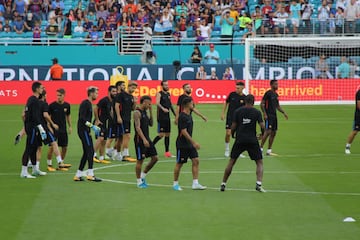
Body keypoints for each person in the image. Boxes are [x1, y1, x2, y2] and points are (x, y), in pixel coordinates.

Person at [220, 94, 266, 193]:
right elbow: (262, 126)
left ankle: (223, 184)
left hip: (240, 139)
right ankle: (258, 184)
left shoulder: (238, 111)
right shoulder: (257, 112)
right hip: (252, 140)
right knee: (259, 162)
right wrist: (262, 135)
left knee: (232, 161)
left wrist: (233, 134)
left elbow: (233, 125)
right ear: (253, 102)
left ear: (245, 101)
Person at [173, 97, 206, 191]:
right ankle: (175, 184)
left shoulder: (189, 115)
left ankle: (195, 183)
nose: (193, 104)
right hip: (182, 144)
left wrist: (202, 116)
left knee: (196, 160)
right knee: (179, 163)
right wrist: (194, 142)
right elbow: (183, 131)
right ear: (187, 104)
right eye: (192, 103)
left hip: (189, 144)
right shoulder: (182, 116)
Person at [73, 86, 102, 182]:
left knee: (86, 152)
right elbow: (82, 118)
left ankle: (78, 175)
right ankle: (90, 174)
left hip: (85, 130)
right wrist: (92, 126)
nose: (97, 95)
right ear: (91, 93)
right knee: (90, 151)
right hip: (83, 130)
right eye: (96, 93)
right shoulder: (85, 103)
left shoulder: (89, 104)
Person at [20, 82, 46, 178]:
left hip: (31, 126)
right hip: (32, 127)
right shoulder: (34, 100)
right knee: (29, 148)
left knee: (34, 148)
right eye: (41, 88)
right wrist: (40, 127)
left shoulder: (31, 99)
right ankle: (24, 171)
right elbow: (35, 116)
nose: (42, 89)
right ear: (37, 89)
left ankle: (35, 169)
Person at [134, 95, 159, 188]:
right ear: (144, 102)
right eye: (148, 103)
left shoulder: (145, 112)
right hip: (140, 139)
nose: (150, 105)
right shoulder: (137, 112)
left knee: (155, 158)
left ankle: (143, 175)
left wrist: (151, 111)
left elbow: (151, 124)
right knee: (140, 160)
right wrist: (144, 139)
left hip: (147, 138)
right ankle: (138, 181)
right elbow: (137, 128)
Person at [260, 80, 288, 156]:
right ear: (271, 85)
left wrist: (283, 112)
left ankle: (269, 150)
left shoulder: (276, 95)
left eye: (277, 84)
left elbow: (277, 106)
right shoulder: (268, 93)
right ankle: (261, 148)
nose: (277, 85)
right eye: (275, 84)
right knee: (268, 131)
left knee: (274, 132)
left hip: (274, 116)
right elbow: (262, 104)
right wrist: (264, 114)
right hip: (268, 115)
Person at [47, 88, 72, 171]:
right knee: (52, 147)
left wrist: (70, 126)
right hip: (54, 130)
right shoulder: (52, 106)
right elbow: (48, 117)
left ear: (64, 95)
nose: (58, 97)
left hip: (63, 129)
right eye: (57, 95)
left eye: (60, 95)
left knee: (64, 147)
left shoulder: (67, 105)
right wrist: (50, 126)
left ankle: (61, 163)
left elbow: (68, 116)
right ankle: (49, 164)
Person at [221, 82, 247, 157]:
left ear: (242, 88)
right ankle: (227, 150)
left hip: (239, 119)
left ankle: (238, 151)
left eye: (238, 88)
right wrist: (223, 113)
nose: (236, 89)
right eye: (236, 88)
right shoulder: (232, 94)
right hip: (230, 117)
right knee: (228, 133)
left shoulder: (245, 98)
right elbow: (226, 102)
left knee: (239, 136)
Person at [114, 81, 138, 162]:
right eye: (132, 87)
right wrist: (118, 117)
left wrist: (135, 102)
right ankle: (125, 154)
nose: (133, 89)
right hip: (122, 118)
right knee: (127, 136)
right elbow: (116, 106)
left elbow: (133, 109)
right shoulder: (121, 95)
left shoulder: (131, 97)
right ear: (129, 86)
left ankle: (117, 154)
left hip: (127, 118)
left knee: (120, 138)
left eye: (134, 88)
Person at [93, 85, 117, 164]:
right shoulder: (104, 100)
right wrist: (97, 119)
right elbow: (95, 108)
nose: (115, 93)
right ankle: (92, 155)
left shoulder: (112, 101)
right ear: (109, 92)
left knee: (104, 140)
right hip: (100, 122)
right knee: (100, 139)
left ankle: (101, 157)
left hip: (106, 123)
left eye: (116, 91)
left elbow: (111, 111)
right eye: (113, 91)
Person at [152, 81, 176, 157]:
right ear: (162, 86)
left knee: (168, 134)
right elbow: (157, 103)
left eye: (167, 85)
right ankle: (150, 147)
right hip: (161, 117)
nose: (167, 86)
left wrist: (176, 115)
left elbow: (170, 104)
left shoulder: (168, 94)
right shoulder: (159, 94)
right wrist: (163, 109)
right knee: (161, 135)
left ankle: (167, 152)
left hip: (167, 117)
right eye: (165, 85)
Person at [345, 89, 360, 154]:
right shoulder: (359, 93)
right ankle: (347, 147)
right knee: (355, 132)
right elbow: (359, 105)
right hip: (359, 116)